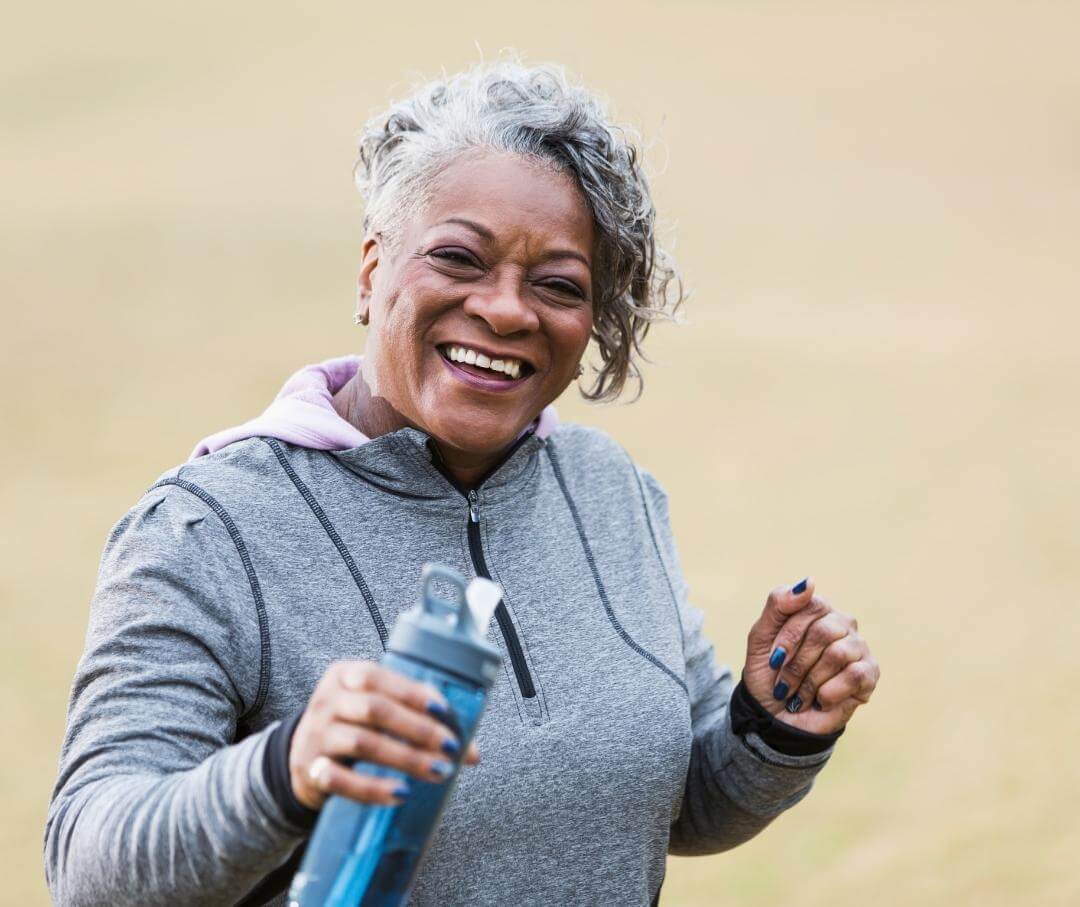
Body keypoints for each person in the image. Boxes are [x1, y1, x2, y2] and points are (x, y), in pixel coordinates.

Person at [45, 59, 880, 906]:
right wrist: (283, 769)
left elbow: (666, 806)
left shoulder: (610, 491)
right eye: (459, 258)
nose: (509, 310)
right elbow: (88, 866)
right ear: (373, 271)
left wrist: (769, 727)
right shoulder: (207, 530)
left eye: (558, 284)